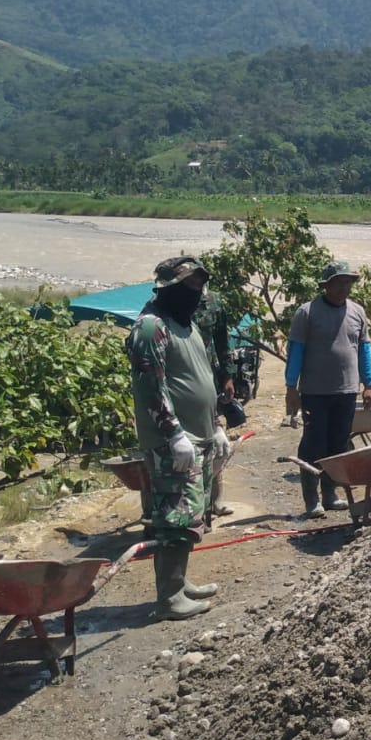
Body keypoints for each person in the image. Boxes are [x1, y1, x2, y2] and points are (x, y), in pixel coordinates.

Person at [126, 257, 220, 621]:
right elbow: (152, 387)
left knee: (191, 516)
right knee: (174, 520)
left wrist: (218, 427)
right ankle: (168, 598)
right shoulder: (151, 328)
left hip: (200, 436)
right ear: (167, 288)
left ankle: (180, 583)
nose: (196, 293)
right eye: (188, 286)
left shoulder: (186, 324)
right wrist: (174, 433)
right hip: (173, 443)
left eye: (199, 285)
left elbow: (199, 379)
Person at [286, 260, 371, 520]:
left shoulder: (357, 312)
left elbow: (364, 350)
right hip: (315, 391)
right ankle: (311, 498)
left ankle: (330, 493)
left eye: (347, 282)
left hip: (347, 391)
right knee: (314, 443)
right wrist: (291, 388)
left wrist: (368, 385)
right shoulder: (307, 312)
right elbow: (296, 352)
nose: (343, 287)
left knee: (338, 443)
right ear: (326, 285)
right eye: (338, 282)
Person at [192, 289, 240, 518]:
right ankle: (196, 504)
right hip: (182, 378)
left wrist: (228, 377)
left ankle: (215, 500)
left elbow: (223, 342)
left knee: (216, 443)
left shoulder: (213, 303)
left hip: (209, 375)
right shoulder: (166, 303)